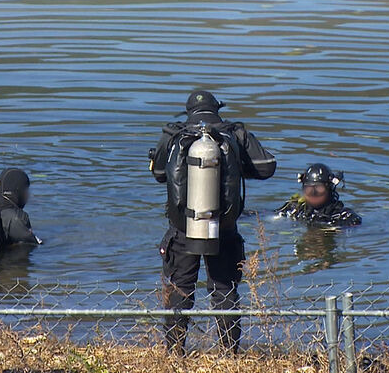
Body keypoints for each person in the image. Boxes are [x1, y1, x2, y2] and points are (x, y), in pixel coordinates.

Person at [149, 90, 276, 354]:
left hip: (182, 230)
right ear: (217, 110)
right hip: (225, 229)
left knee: (179, 290)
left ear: (188, 112)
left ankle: (174, 354)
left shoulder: (174, 134)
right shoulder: (234, 134)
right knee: (225, 291)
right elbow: (266, 168)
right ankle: (229, 354)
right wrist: (238, 164)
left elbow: (160, 174)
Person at [276, 163, 361, 227]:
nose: (313, 193)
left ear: (329, 188)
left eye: (319, 188)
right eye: (308, 189)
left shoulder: (345, 217)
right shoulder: (295, 209)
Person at [0, 168, 42, 247]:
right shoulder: (15, 218)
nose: (28, 195)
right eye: (26, 190)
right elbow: (35, 243)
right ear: (18, 191)